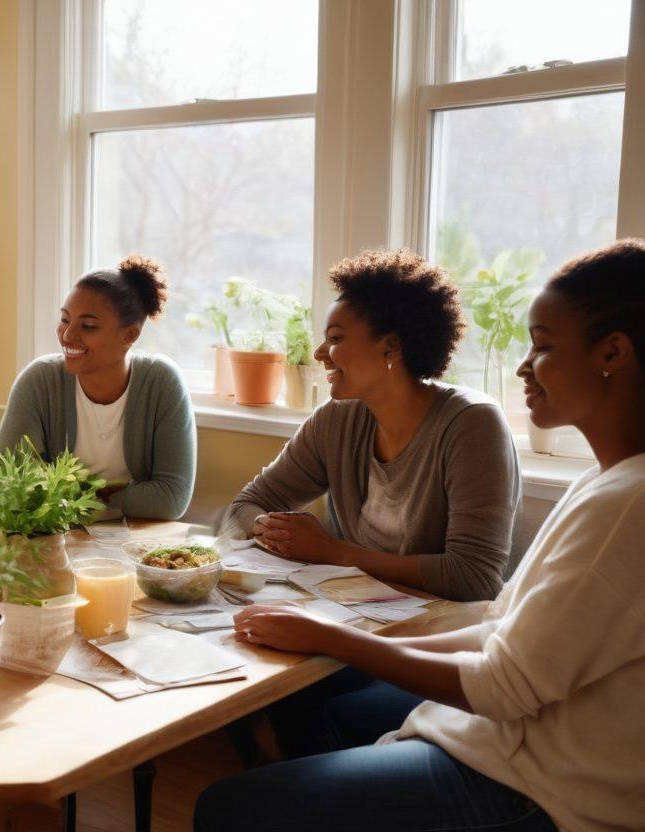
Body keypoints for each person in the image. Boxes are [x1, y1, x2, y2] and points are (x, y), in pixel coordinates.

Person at [198, 239, 645, 832]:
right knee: (311, 704)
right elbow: (504, 636)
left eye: (542, 346)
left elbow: (498, 663)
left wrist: (334, 627)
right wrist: (320, 617)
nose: (523, 366)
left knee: (227, 807)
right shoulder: (604, 481)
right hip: (505, 738)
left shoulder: (622, 501)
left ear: (612, 352)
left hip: (540, 786)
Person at [221, 249, 520, 602]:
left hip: (440, 623)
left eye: (335, 338)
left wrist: (334, 552)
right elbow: (247, 504)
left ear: (391, 347)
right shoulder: (336, 419)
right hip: (353, 611)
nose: (319, 353)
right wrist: (275, 531)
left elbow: (474, 577)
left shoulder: (473, 424)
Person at [0, 256, 195, 520]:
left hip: (137, 537)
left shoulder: (161, 383)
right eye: (65, 320)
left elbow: (171, 499)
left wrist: (70, 495)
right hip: (54, 531)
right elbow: (13, 482)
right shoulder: (39, 381)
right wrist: (117, 496)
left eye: (88, 326)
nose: (67, 335)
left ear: (129, 335)